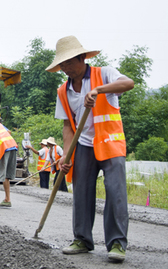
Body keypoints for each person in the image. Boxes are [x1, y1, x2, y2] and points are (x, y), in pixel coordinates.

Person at [46, 35, 134, 262]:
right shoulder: (63, 91)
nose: (64, 68)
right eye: (61, 65)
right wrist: (66, 153)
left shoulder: (103, 74)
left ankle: (116, 244)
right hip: (83, 144)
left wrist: (100, 91)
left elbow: (129, 83)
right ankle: (82, 239)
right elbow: (67, 125)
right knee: (81, 191)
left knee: (115, 191)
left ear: (82, 58)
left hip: (110, 142)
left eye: (67, 63)